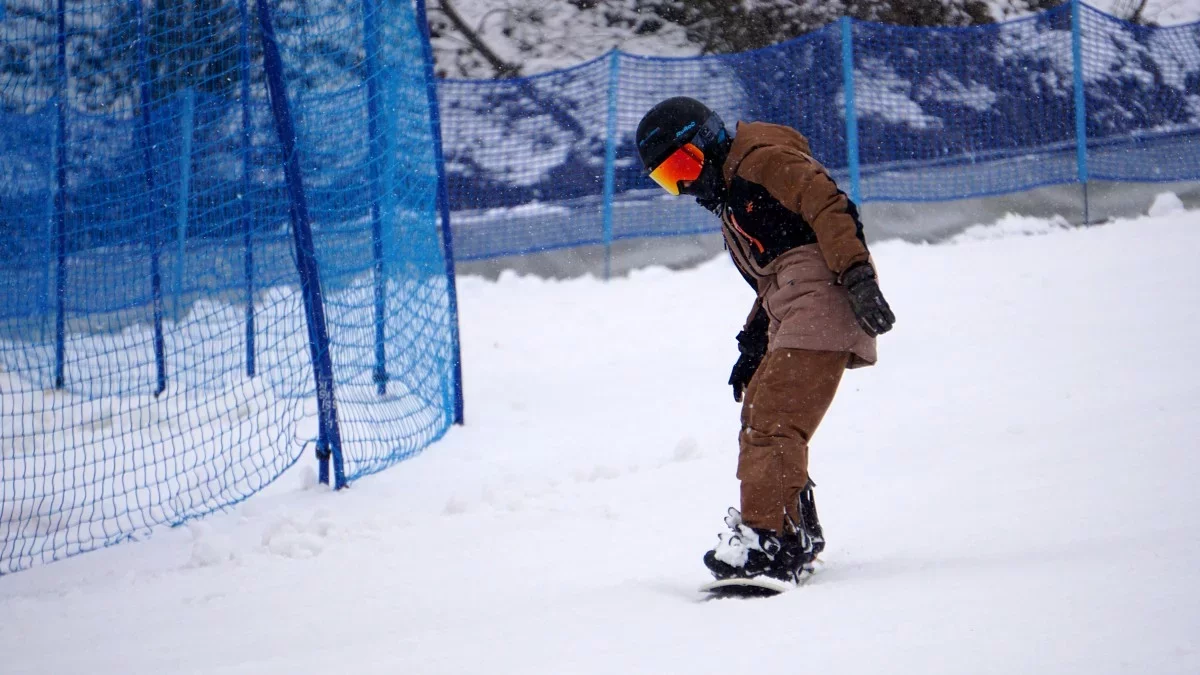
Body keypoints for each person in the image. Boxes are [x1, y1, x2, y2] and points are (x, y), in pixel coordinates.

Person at [635, 97, 895, 585]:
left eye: (684, 165)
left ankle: (768, 542)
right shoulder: (734, 196)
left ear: (707, 141)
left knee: (775, 417)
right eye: (669, 178)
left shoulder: (763, 161)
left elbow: (828, 204)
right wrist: (752, 342)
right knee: (760, 411)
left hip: (824, 291)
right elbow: (770, 281)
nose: (686, 184)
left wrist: (857, 275)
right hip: (794, 301)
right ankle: (792, 531)